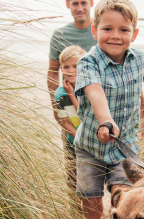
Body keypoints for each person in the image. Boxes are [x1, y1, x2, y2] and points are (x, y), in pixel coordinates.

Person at [73, 0, 144, 219]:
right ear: (95, 31)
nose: (115, 36)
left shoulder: (139, 58)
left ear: (134, 34)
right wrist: (105, 121)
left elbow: (137, 89)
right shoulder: (88, 62)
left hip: (125, 146)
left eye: (123, 30)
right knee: (91, 203)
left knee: (125, 196)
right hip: (91, 146)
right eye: (108, 28)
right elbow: (95, 92)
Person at [48, 0, 97, 195]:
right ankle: (77, 216)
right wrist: (56, 105)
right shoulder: (60, 35)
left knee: (98, 172)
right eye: (74, 3)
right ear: (68, 4)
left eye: (83, 2)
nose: (79, 8)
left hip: (95, 113)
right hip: (68, 109)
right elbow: (52, 71)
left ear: (91, 3)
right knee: (73, 170)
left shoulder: (100, 31)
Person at [54, 46, 87, 193]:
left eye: (76, 66)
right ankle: (75, 212)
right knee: (73, 178)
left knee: (90, 180)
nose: (71, 70)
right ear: (61, 69)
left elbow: (85, 114)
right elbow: (65, 122)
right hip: (73, 142)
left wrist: (71, 94)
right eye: (66, 67)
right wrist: (78, 137)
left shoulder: (89, 88)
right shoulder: (60, 93)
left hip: (92, 141)